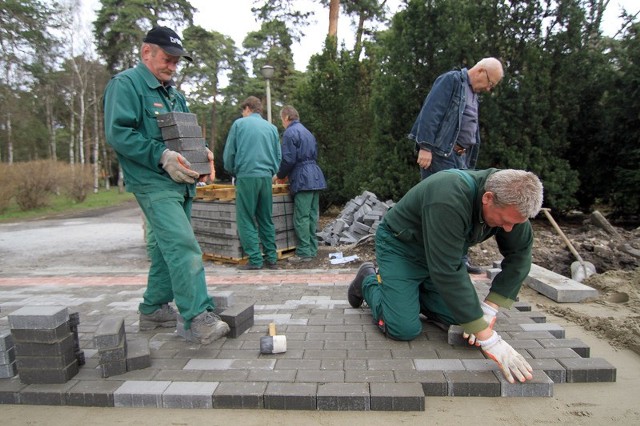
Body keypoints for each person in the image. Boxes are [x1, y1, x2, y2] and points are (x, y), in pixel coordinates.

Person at [347, 168, 543, 384]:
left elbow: (520, 255)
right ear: (488, 198)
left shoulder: (511, 204)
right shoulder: (449, 195)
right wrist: (490, 341)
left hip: (441, 256)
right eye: (505, 221)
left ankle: (408, 294)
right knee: (403, 329)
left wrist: (490, 307)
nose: (508, 229)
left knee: (464, 319)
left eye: (515, 223)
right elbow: (447, 270)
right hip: (402, 248)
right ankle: (367, 281)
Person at [103, 26, 229, 345]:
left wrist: (202, 155)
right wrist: (162, 155)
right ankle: (196, 317)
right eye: (168, 59)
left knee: (164, 248)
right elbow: (119, 133)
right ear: (147, 52)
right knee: (183, 245)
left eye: (176, 62)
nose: (172, 66)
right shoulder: (127, 85)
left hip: (181, 183)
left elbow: (185, 136)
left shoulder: (174, 93)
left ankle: (153, 309)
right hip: (152, 182)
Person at [408, 57, 504, 274]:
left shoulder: (473, 94)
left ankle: (459, 258)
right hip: (441, 154)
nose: (489, 89)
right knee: (441, 206)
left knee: (463, 206)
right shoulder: (452, 81)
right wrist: (425, 146)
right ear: (480, 71)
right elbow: (431, 112)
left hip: (460, 157)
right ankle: (433, 259)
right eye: (491, 83)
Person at [223, 96, 282, 270]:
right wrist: (271, 171)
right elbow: (278, 156)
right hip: (266, 177)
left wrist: (233, 171)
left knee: (246, 218)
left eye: (243, 110)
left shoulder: (239, 124)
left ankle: (255, 260)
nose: (243, 113)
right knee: (265, 218)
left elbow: (229, 154)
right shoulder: (271, 128)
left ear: (248, 108)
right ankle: (271, 258)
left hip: (246, 176)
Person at [274, 105, 327, 262]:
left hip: (302, 177)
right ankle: (312, 248)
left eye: (281, 120)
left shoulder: (290, 133)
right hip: (315, 175)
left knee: (301, 216)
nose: (282, 123)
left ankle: (304, 251)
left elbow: (288, 159)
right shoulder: (307, 132)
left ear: (286, 118)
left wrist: (280, 175)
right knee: (312, 215)